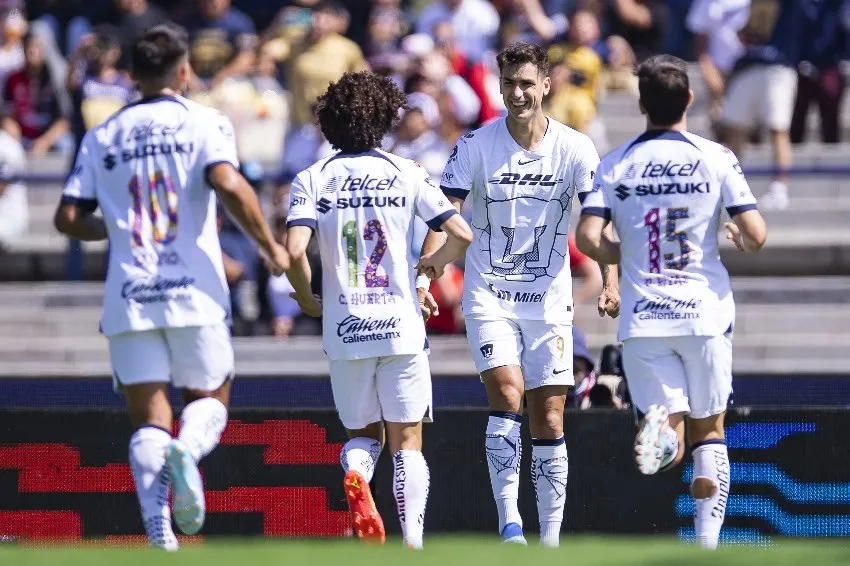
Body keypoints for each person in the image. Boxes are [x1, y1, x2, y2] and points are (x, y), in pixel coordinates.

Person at [53, 23, 289, 550]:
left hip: (131, 293)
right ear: (183, 71)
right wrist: (271, 247)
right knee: (211, 397)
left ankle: (160, 532)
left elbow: (68, 216)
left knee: (147, 420)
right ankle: (189, 449)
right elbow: (227, 182)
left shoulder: (103, 135)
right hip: (195, 289)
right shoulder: (204, 121)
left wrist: (107, 228)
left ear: (131, 75)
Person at [418, 40, 619, 547]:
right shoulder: (474, 146)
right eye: (509, 83)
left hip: (550, 302)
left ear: (546, 85)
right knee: (507, 393)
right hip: (490, 294)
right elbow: (446, 217)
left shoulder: (576, 148)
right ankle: (510, 523)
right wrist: (427, 274)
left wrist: (610, 279)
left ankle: (549, 539)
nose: (517, 93)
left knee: (549, 413)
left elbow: (597, 223)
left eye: (526, 83)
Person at [575, 54, 767, 550]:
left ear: (640, 104)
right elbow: (757, 234)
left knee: (673, 442)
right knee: (712, 431)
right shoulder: (716, 156)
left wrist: (625, 251)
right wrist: (737, 237)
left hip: (644, 319)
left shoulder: (615, 163)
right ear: (689, 99)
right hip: (703, 313)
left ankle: (663, 431)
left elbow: (588, 235)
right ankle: (706, 543)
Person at [285, 71, 473, 548]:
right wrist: (427, 270)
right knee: (407, 441)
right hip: (400, 326)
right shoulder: (405, 171)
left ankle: (355, 471)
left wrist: (308, 298)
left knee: (364, 435)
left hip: (344, 328)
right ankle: (412, 543)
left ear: (328, 125)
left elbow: (292, 252)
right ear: (387, 118)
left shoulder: (312, 178)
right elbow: (462, 233)